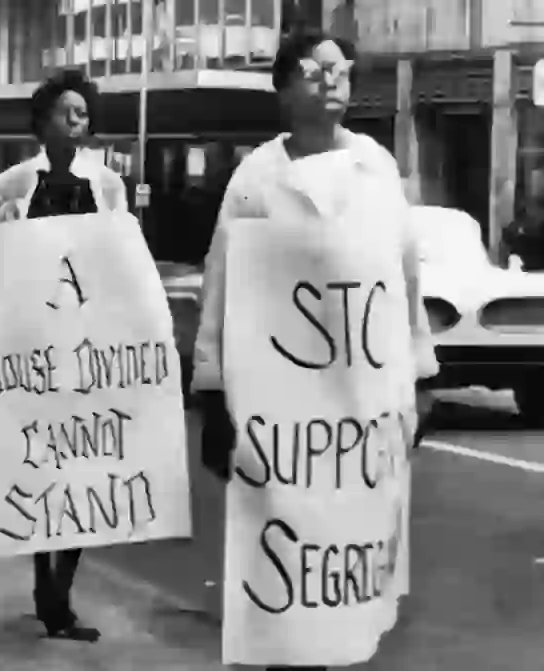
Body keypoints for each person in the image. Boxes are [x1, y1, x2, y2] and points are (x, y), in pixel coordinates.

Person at [192, 32, 438, 671]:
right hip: (280, 416)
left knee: (347, 557)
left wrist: (421, 373)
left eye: (341, 70)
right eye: (314, 69)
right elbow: (222, 285)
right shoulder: (255, 180)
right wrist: (213, 392)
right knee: (286, 562)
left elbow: (404, 279)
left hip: (358, 416)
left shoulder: (377, 168)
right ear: (283, 87)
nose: (332, 80)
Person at [0, 70, 127, 644]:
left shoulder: (109, 185)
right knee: (37, 470)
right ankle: (44, 582)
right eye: (66, 112)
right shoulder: (10, 185)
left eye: (83, 112)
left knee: (85, 472)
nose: (77, 121)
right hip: (27, 348)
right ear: (41, 122)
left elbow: (123, 263)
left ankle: (59, 593)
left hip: (88, 349)